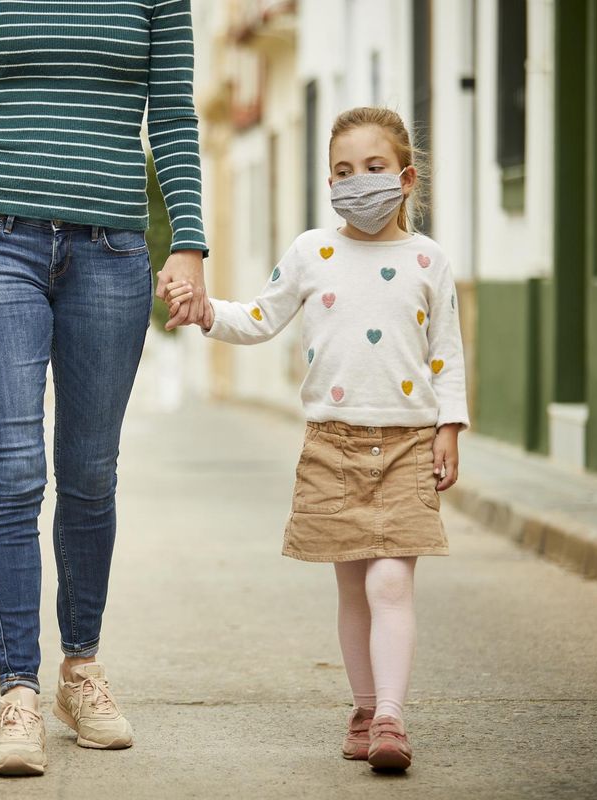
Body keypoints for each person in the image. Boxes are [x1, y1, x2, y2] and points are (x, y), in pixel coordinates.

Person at [0, 0, 209, 777]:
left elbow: (171, 114)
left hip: (112, 249)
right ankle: (18, 691)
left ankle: (81, 671)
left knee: (91, 472)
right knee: (13, 469)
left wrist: (190, 240)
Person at [166, 106, 468, 772]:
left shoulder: (428, 259)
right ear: (327, 183)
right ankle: (363, 706)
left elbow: (445, 351)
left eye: (373, 168)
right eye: (342, 171)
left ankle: (390, 718)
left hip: (408, 445)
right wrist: (206, 310)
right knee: (353, 589)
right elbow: (260, 317)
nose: (357, 182)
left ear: (406, 177)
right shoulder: (312, 252)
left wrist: (450, 426)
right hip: (331, 446)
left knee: (391, 584)